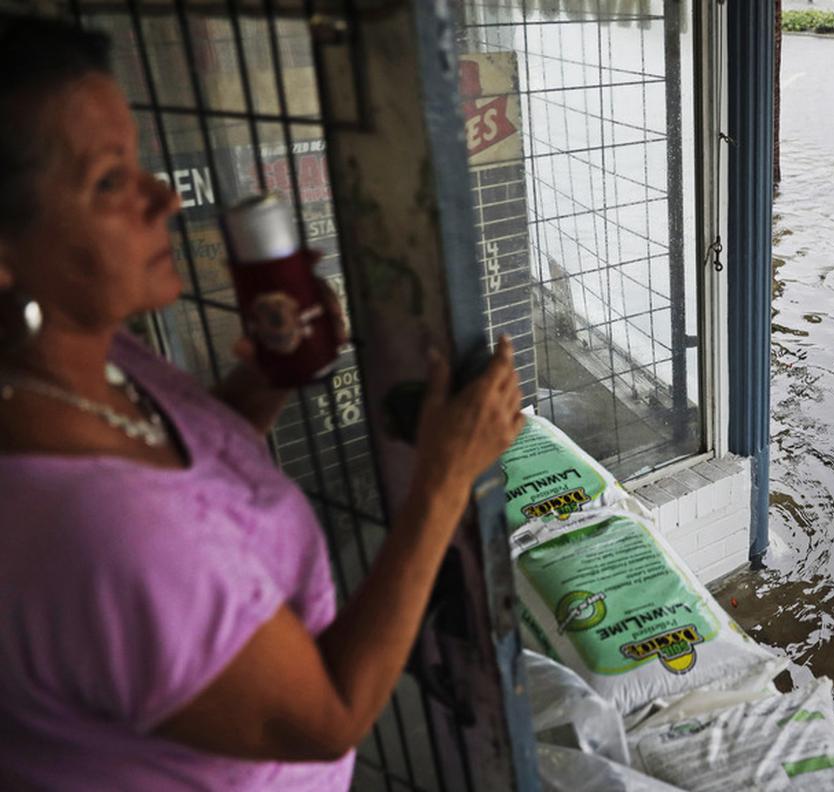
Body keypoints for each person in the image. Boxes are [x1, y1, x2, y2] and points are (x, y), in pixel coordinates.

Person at [0, 15, 525, 789]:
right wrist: (444, 478)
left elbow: (182, 490)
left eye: (140, 162)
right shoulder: (94, 529)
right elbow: (328, 715)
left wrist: (263, 383)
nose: (164, 197)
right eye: (109, 180)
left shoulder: (80, 359)